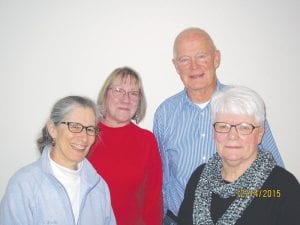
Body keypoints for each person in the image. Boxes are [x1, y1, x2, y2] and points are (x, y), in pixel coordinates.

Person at [153, 27, 284, 224]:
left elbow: (274, 171)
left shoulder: (245, 105)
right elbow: (162, 177)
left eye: (201, 56)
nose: (194, 66)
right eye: (184, 59)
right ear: (175, 66)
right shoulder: (165, 113)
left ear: (216, 59)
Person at [177, 85, 300, 225]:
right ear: (213, 132)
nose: (232, 136)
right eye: (223, 126)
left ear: (260, 134)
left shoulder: (282, 187)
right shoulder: (199, 176)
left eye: (244, 127)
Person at [0, 96, 116, 225]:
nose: (84, 138)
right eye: (75, 126)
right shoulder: (24, 185)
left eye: (90, 129)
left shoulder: (99, 187)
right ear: (52, 129)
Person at [88, 66, 163, 225]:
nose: (126, 99)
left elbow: (153, 201)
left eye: (133, 93)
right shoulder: (86, 133)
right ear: (105, 94)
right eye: (118, 90)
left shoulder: (146, 140)